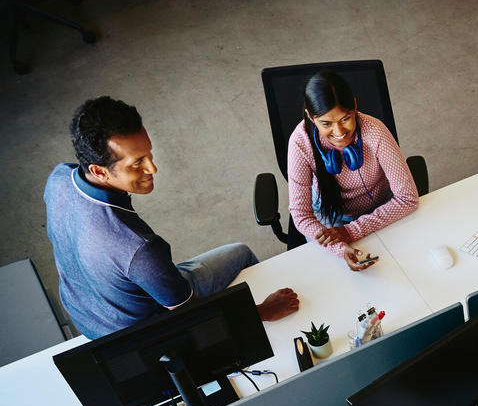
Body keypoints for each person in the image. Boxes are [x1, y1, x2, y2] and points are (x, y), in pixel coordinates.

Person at [45, 96, 298, 340]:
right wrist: (264, 310)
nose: (152, 168)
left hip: (86, 316)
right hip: (146, 332)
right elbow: (192, 315)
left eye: (149, 154)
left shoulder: (58, 179)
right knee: (240, 253)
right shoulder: (138, 249)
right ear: (99, 171)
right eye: (137, 162)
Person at [287, 71, 419, 271]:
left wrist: (350, 231)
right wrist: (340, 248)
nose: (339, 132)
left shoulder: (374, 131)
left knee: (403, 265)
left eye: (345, 118)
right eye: (326, 123)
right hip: (328, 218)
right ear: (310, 117)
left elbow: (408, 198)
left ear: (355, 106)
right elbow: (301, 215)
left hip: (380, 207)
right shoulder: (300, 142)